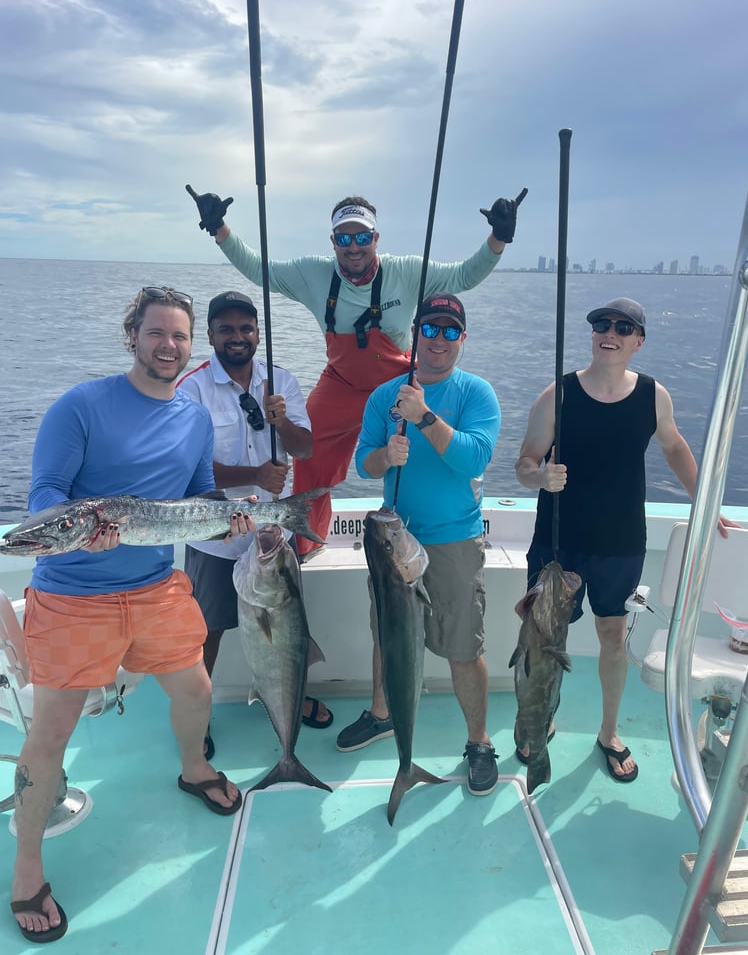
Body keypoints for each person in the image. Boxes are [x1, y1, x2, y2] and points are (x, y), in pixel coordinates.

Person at [10, 287, 249, 944]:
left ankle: (194, 768)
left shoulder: (194, 419)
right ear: (131, 336)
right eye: (155, 333)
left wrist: (236, 511)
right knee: (52, 734)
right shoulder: (81, 405)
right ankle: (26, 870)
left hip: (154, 585)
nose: (168, 345)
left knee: (196, 688)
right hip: (71, 594)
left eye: (178, 335)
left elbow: (199, 492)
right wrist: (85, 530)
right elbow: (45, 495)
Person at [186, 184, 526, 558]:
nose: (354, 246)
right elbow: (258, 269)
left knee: (412, 455)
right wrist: (220, 229)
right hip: (341, 382)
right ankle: (306, 542)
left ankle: (415, 532)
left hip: (396, 383)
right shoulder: (311, 273)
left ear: (376, 238)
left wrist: (498, 237)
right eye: (345, 237)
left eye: (362, 236)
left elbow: (463, 276)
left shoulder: (407, 270)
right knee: (307, 452)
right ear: (333, 241)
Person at [514, 297, 735, 783]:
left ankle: (609, 732)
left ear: (638, 340)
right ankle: (542, 717)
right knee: (546, 637)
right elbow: (524, 462)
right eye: (601, 324)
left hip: (620, 543)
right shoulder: (558, 395)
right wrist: (540, 477)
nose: (608, 332)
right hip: (558, 542)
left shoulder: (654, 396)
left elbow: (675, 446)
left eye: (622, 326)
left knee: (613, 637)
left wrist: (705, 501)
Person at [335, 292, 502, 797]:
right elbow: (362, 462)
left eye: (451, 331)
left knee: (461, 647)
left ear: (463, 340)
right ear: (416, 335)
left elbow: (473, 460)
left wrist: (426, 418)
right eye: (430, 329)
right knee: (389, 638)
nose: (439, 340)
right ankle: (383, 713)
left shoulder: (476, 394)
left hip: (453, 540)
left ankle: (478, 741)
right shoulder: (383, 395)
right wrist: (386, 454)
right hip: (394, 539)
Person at [178, 290, 332, 757]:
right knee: (207, 632)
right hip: (215, 539)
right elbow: (188, 468)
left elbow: (304, 449)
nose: (237, 337)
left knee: (288, 626)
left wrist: (281, 422)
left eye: (246, 328)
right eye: (226, 329)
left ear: (257, 334)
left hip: (271, 537)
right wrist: (254, 477)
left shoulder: (280, 380)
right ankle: (196, 715)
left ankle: (290, 694)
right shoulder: (193, 388)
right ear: (210, 335)